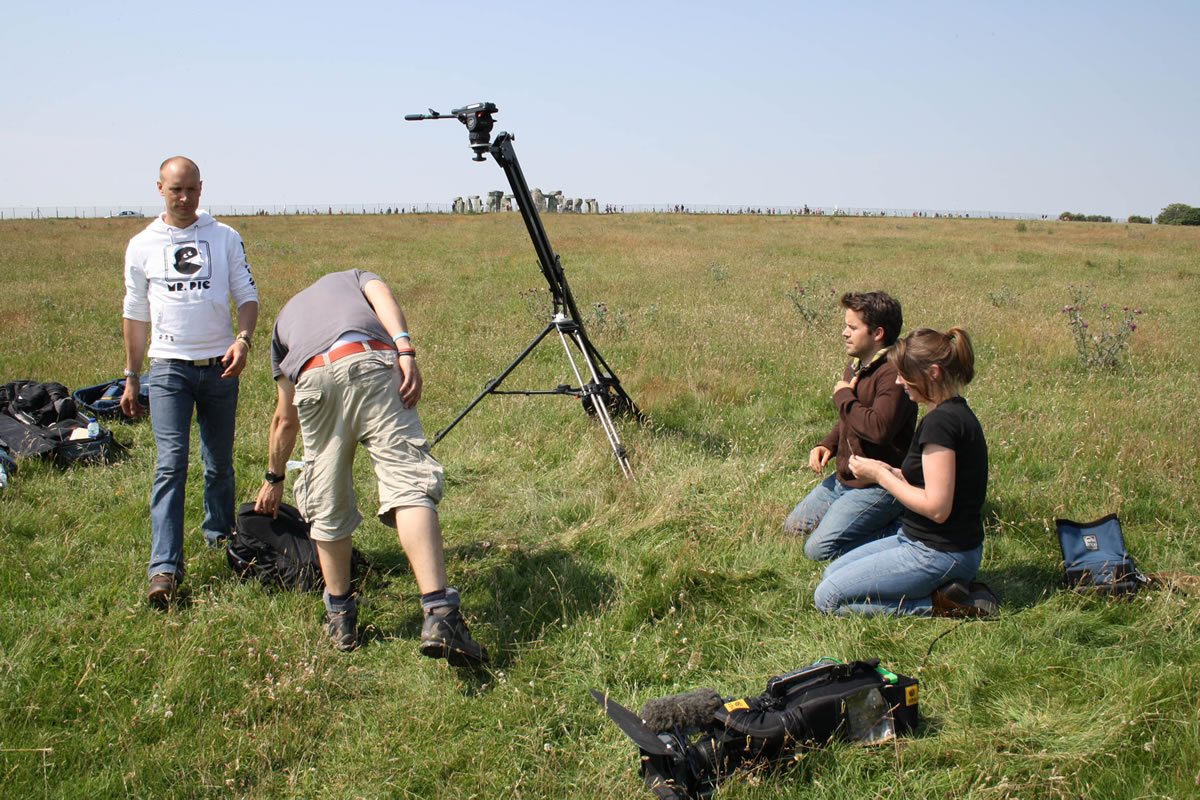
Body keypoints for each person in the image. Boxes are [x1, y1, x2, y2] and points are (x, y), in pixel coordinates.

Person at [254, 269, 487, 662]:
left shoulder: (281, 326)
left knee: (326, 502)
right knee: (408, 483)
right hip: (371, 361)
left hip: (313, 380)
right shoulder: (355, 276)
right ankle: (440, 613)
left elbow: (284, 418)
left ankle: (341, 617)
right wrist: (406, 351)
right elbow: (383, 296)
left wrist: (274, 477)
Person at [121, 156, 259, 608]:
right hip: (168, 370)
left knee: (219, 462)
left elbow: (247, 295)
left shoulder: (224, 238)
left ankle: (220, 539)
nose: (184, 198)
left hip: (220, 366)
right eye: (175, 190)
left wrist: (242, 340)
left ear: (202, 189)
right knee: (171, 463)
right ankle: (165, 568)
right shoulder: (142, 245)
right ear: (160, 188)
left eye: (191, 190)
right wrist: (131, 376)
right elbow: (136, 313)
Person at [812, 327, 997, 616]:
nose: (899, 381)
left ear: (933, 373)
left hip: (940, 553)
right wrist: (889, 470)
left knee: (828, 598)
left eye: (904, 374)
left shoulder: (942, 425)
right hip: (916, 539)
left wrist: (880, 476)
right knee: (831, 573)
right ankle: (943, 591)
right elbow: (934, 483)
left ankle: (945, 605)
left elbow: (937, 508)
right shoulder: (950, 413)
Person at [783, 292, 917, 561]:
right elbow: (851, 418)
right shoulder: (857, 366)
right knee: (793, 529)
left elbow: (879, 429)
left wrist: (843, 395)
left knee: (818, 550)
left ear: (878, 333)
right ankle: (854, 517)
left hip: (880, 485)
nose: (845, 333)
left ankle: (904, 528)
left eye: (853, 327)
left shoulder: (893, 374)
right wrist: (828, 444)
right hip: (845, 480)